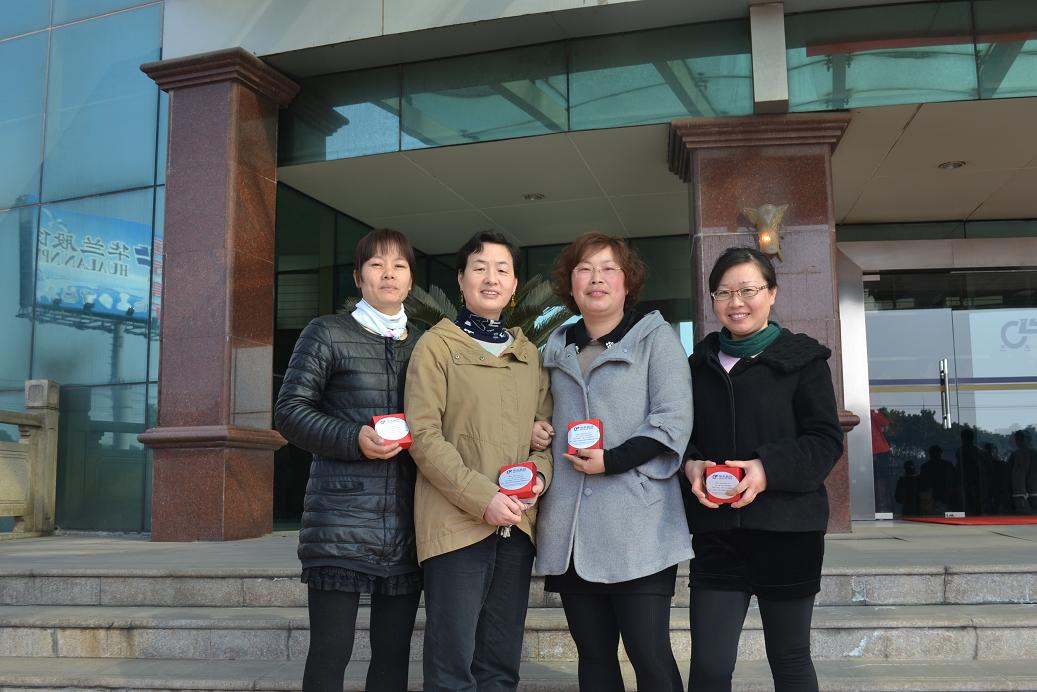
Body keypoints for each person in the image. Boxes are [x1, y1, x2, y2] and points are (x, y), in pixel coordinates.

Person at [533, 232, 692, 692]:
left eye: (608, 269)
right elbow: (539, 410)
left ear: (627, 282)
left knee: (650, 655)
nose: (596, 278)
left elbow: (673, 420)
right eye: (584, 269)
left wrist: (614, 460)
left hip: (639, 526)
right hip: (571, 530)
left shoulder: (655, 339)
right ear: (571, 284)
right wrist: (536, 426)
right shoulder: (555, 347)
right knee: (594, 658)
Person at [682, 246, 843, 692]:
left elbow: (824, 440)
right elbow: (678, 435)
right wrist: (690, 464)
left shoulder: (803, 360)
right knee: (709, 666)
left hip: (788, 531)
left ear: (771, 293)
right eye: (724, 292)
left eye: (748, 290)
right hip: (718, 533)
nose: (736, 302)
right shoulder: (697, 366)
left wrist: (765, 468)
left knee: (790, 660)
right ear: (713, 300)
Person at [273, 228, 423, 692]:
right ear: (358, 277)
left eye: (399, 265)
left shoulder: (426, 344)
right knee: (330, 651)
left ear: (411, 278)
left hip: (406, 524)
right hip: (339, 518)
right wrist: (352, 437)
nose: (388, 274)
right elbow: (289, 412)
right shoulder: (326, 333)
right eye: (376, 265)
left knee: (393, 656)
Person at [404, 231, 553, 692]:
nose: (492, 278)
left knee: (500, 666)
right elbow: (423, 435)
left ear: (514, 284)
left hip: (517, 526)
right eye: (480, 268)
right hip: (455, 525)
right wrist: (482, 497)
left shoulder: (529, 355)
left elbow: (545, 435)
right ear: (461, 280)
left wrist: (538, 479)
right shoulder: (437, 346)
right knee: (452, 669)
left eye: (502, 269)